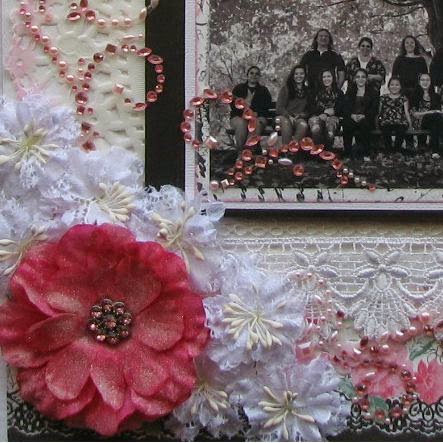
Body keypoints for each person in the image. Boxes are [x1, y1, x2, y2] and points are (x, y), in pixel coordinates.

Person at [230, 66, 272, 148]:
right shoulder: (239, 88)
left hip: (258, 117)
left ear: (259, 77)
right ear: (247, 75)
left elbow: (267, 107)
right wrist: (244, 114)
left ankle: (249, 151)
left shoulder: (264, 90)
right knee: (241, 124)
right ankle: (240, 151)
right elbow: (233, 106)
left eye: (257, 74)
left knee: (255, 124)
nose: (254, 75)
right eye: (251, 73)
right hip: (239, 116)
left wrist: (256, 113)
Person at [342, 68, 379, 158]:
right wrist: (352, 115)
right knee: (347, 125)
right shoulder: (350, 91)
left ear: (366, 79)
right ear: (355, 79)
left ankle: (365, 153)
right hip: (352, 117)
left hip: (366, 117)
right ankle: (347, 153)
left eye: (363, 77)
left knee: (365, 125)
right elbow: (345, 107)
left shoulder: (373, 92)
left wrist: (364, 115)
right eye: (358, 77)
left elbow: (374, 108)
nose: (360, 79)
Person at [308, 69, 345, 149]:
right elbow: (310, 107)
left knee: (330, 132)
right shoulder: (314, 92)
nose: (326, 79)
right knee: (316, 129)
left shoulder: (339, 93)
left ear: (333, 78)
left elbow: (341, 108)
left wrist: (329, 113)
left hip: (333, 117)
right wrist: (323, 113)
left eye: (329, 76)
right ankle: (317, 151)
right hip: (317, 116)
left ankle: (327, 152)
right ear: (321, 79)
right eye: (324, 77)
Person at [275, 65, 312, 144]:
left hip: (298, 118)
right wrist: (289, 116)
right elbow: (279, 108)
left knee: (303, 125)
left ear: (305, 76)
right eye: (296, 74)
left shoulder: (307, 91)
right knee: (286, 123)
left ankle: (293, 147)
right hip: (283, 117)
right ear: (293, 75)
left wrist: (301, 115)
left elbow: (309, 110)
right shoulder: (286, 89)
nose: (299, 76)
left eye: (301, 73)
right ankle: (285, 148)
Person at [377, 77, 412, 153]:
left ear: (400, 87)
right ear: (388, 86)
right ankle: (388, 149)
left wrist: (410, 125)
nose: (394, 87)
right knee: (386, 130)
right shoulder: (383, 98)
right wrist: (376, 123)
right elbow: (378, 112)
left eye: (397, 85)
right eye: (392, 85)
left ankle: (397, 149)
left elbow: (406, 112)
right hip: (386, 121)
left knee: (401, 130)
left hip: (400, 121)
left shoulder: (403, 98)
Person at [410, 72, 443, 152]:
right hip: (419, 121)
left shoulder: (436, 96)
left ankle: (435, 151)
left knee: (436, 121)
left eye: (427, 80)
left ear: (431, 82)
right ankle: (435, 150)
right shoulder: (414, 95)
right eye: (422, 80)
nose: (425, 82)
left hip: (433, 121)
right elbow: (414, 114)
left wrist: (434, 113)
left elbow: (438, 112)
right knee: (436, 118)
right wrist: (430, 112)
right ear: (419, 82)